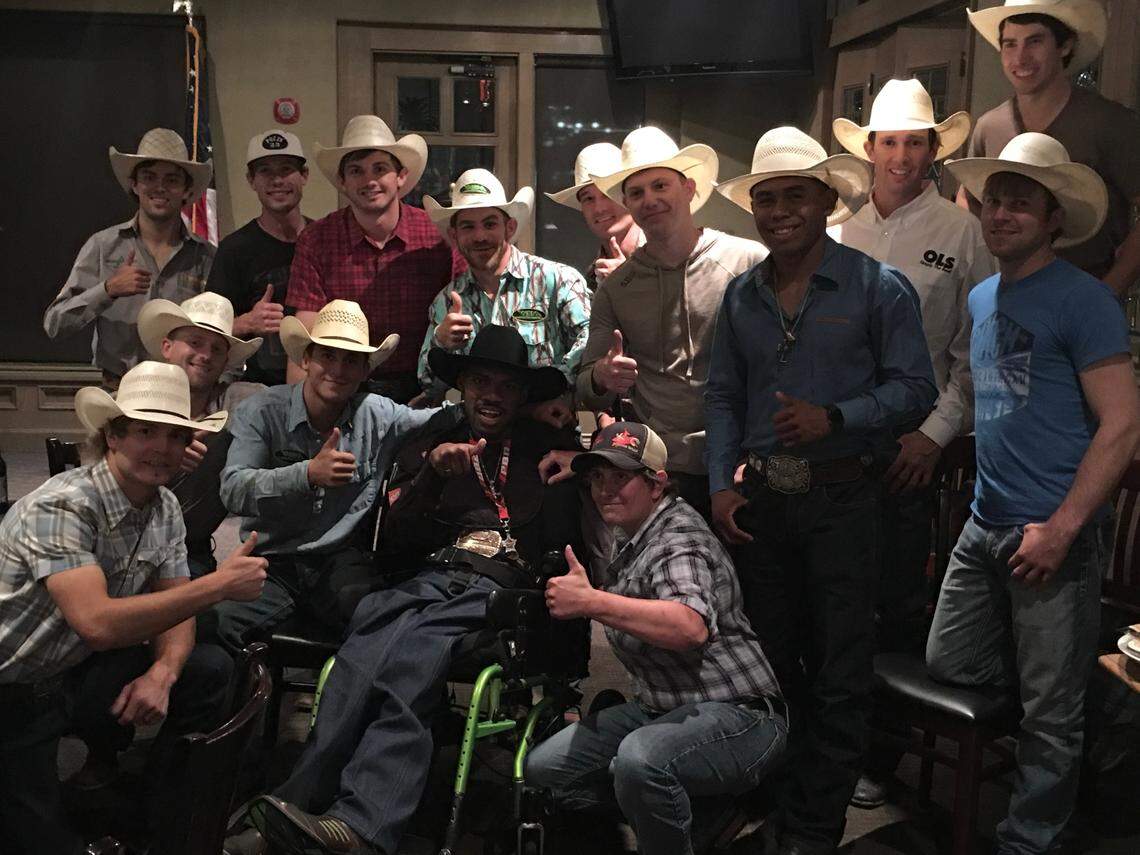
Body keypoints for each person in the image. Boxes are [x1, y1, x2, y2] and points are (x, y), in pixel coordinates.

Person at [225, 325, 582, 855]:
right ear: (461, 384)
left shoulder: (551, 446)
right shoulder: (435, 437)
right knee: (364, 635)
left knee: (412, 654)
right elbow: (394, 544)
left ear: (524, 395)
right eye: (480, 381)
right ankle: (301, 799)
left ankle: (363, 825)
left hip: (504, 586)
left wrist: (579, 456)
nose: (492, 395)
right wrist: (431, 478)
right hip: (432, 575)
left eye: (506, 386)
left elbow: (603, 481)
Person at [708, 126, 937, 855]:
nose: (777, 210)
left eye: (793, 196)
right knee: (772, 659)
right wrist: (719, 485)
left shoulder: (877, 285)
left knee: (841, 667)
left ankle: (813, 827)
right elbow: (721, 396)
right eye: (765, 198)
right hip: (764, 503)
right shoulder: (742, 297)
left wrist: (836, 417)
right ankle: (780, 796)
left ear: (826, 199)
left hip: (845, 501)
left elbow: (915, 389)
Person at [930, 132, 1140, 855]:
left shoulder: (1085, 301)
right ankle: (1100, 691)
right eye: (996, 199)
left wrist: (1064, 527)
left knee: (1050, 712)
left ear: (1054, 218)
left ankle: (1028, 839)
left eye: (1023, 201)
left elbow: (1123, 425)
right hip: (984, 525)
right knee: (951, 662)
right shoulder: (986, 294)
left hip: (1052, 530)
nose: (1004, 213)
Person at [0, 361, 268, 855]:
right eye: (145, 432)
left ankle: (159, 814)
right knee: (41, 839)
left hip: (68, 671)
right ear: (113, 438)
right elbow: (98, 623)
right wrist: (219, 585)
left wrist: (163, 673)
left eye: (173, 436)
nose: (161, 450)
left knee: (206, 666)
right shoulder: (62, 506)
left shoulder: (163, 505)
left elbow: (176, 607)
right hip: (13, 689)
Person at [831, 77, 998, 806]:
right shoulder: (840, 230)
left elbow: (973, 355)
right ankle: (829, 743)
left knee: (896, 601)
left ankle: (879, 755)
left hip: (908, 448)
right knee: (832, 595)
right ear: (869, 149)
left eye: (915, 142)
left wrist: (933, 436)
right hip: (837, 443)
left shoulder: (964, 233)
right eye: (889, 141)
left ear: (934, 149)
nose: (901, 156)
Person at [527, 421, 787, 855]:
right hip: (660, 710)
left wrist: (591, 602)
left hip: (741, 717)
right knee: (544, 773)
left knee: (640, 761)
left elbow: (689, 627)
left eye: (621, 477)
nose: (606, 489)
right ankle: (702, 815)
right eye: (597, 478)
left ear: (657, 484)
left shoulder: (678, 537)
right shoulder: (630, 535)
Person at [211, 299, 449, 654]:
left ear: (364, 370)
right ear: (306, 360)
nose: (338, 369)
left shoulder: (377, 413)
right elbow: (232, 490)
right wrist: (306, 473)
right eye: (328, 355)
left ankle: (347, 706)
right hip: (271, 561)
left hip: (340, 563)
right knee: (215, 626)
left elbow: (442, 418)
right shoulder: (261, 411)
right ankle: (251, 707)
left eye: (351, 359)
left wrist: (522, 407)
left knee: (385, 629)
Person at [575, 126, 768, 518]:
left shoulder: (749, 263)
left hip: (742, 462)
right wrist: (603, 374)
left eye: (660, 185)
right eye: (637, 192)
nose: (650, 200)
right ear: (627, 203)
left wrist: (765, 450)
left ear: (690, 188)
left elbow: (781, 365)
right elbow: (584, 387)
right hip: (661, 471)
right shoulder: (617, 288)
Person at [960, 0, 1140, 294]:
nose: (1020, 57)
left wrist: (1107, 292)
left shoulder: (1109, 123)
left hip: (1085, 302)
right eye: (1009, 44)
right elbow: (967, 198)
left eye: (1035, 41)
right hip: (1006, 300)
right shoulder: (989, 126)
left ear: (1065, 45)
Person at [286, 115, 465, 401]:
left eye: (379, 169)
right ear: (342, 181)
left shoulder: (438, 235)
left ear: (401, 176)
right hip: (343, 389)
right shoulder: (316, 239)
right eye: (356, 171)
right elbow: (305, 336)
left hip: (423, 387)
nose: (369, 180)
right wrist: (299, 412)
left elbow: (469, 304)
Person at [417, 167, 591, 427]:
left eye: (490, 224)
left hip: (548, 431)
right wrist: (441, 343)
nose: (480, 236)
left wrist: (559, 390)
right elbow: (429, 386)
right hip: (478, 439)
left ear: (509, 228)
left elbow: (589, 344)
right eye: (468, 226)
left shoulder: (559, 281)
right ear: (454, 235)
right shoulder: (446, 301)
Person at [44, 128, 214, 388]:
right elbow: (55, 323)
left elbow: (219, 334)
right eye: (149, 177)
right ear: (134, 184)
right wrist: (108, 290)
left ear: (187, 190)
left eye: (171, 180)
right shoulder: (104, 246)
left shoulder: (205, 257)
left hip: (183, 396)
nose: (160, 187)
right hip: (117, 392)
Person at [137, 292, 265, 576]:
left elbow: (285, 403)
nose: (206, 355)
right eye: (195, 342)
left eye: (217, 349)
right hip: (125, 547)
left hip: (190, 552)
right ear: (167, 347)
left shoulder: (237, 401)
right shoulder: (133, 404)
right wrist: (164, 458)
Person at [207, 130, 311, 385]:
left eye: (286, 169)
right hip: (259, 391)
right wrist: (247, 322)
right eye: (265, 171)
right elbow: (206, 331)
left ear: (304, 176)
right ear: (251, 180)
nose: (277, 180)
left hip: (323, 386)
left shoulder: (325, 240)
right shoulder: (235, 249)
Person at [545, 142, 644, 290]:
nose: (599, 208)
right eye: (588, 199)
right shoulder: (592, 278)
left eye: (607, 194)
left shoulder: (665, 255)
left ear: (628, 197)